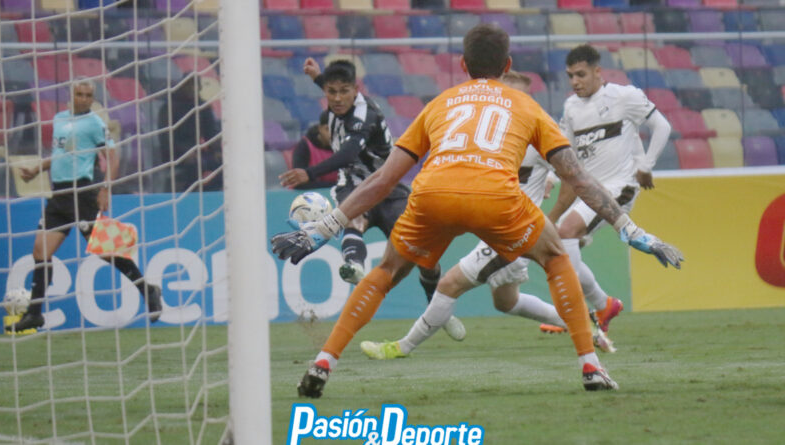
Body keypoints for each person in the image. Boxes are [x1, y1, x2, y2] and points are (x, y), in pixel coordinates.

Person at [272, 24, 682, 397]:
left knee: (384, 273)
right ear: (506, 66)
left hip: (432, 193)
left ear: (463, 65)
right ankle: (591, 366)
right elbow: (578, 178)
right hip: (497, 198)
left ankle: (324, 362)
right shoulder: (526, 106)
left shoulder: (439, 103)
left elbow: (380, 180)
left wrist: (320, 231)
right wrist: (632, 229)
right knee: (556, 257)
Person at [359, 71, 616, 362]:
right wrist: (545, 183)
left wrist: (552, 220)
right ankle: (588, 330)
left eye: (519, 95)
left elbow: (571, 175)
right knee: (506, 302)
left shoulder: (535, 130)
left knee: (448, 284)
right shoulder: (496, 131)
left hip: (514, 231)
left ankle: (401, 347)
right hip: (497, 224)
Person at [278, 59, 465, 340]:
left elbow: (349, 153)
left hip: (387, 186)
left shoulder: (365, 116)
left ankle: (438, 310)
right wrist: (317, 76)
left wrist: (310, 172)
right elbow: (334, 91)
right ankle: (354, 264)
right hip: (354, 184)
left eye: (344, 91)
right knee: (353, 215)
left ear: (356, 90)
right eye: (331, 91)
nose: (337, 98)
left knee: (425, 253)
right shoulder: (337, 100)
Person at [7, 78, 163, 332]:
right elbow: (60, 155)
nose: (83, 98)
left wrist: (105, 188)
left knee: (104, 250)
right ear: (72, 94)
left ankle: (148, 290)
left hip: (82, 193)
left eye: (88, 95)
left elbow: (112, 157)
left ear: (92, 98)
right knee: (40, 252)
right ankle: (34, 314)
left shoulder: (94, 124)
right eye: (79, 94)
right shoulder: (59, 118)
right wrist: (38, 168)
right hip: (59, 195)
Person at [541, 44, 673, 334]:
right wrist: (551, 177)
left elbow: (662, 126)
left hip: (619, 187)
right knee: (559, 242)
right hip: (589, 191)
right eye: (570, 76)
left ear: (597, 72)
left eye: (581, 74)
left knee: (565, 232)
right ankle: (603, 304)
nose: (575, 81)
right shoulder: (571, 107)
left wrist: (646, 164)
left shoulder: (624, 96)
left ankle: (574, 312)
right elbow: (567, 151)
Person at [158, 75, 222, 192]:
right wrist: (185, 152)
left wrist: (217, 150)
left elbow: (211, 132)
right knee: (195, 165)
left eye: (195, 86)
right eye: (190, 85)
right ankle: (190, 195)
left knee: (220, 163)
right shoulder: (169, 106)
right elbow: (165, 138)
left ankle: (212, 194)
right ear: (182, 86)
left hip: (196, 151)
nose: (193, 89)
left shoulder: (202, 106)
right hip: (174, 153)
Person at [289, 110, 337, 190]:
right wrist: (337, 186)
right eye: (327, 129)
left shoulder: (345, 147)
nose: (331, 134)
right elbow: (299, 184)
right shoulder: (304, 147)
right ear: (320, 128)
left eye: (336, 130)